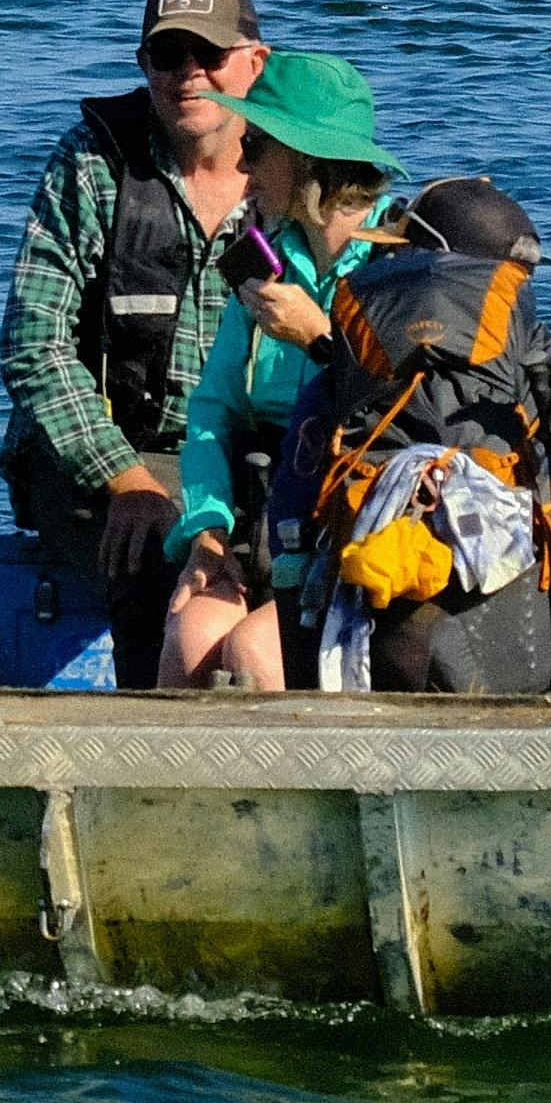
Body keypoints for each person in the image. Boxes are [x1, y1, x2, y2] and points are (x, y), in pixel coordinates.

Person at [0, 0, 269, 690]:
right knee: (161, 544)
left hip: (249, 454)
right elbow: (33, 348)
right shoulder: (91, 165)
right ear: (142, 63)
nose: (187, 75)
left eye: (207, 56)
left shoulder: (296, 170)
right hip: (102, 457)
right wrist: (128, 481)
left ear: (253, 61)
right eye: (165, 56)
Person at [157, 52, 403, 690]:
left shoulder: (404, 266)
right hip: (266, 515)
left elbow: (413, 411)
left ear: (306, 158)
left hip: (358, 530)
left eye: (257, 145)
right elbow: (211, 411)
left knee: (254, 653)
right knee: (191, 638)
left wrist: (321, 337)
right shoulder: (266, 261)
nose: (241, 164)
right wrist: (207, 532)